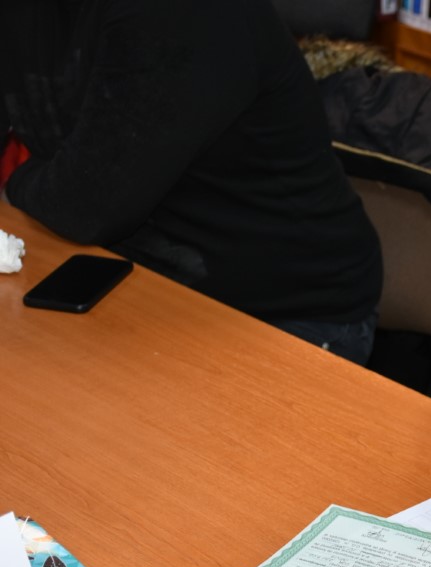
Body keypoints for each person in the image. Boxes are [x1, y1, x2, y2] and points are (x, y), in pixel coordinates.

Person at [0, 0, 382, 364]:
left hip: (279, 310)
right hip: (132, 276)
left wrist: (15, 181)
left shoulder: (177, 12)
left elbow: (85, 206)